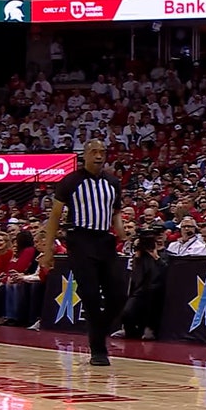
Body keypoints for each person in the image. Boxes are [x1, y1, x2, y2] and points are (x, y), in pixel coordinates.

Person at [41, 139, 127, 366]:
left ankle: (98, 331)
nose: (98, 156)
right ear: (85, 155)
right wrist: (48, 250)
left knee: (119, 295)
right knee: (90, 295)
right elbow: (55, 216)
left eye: (102, 152)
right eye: (94, 152)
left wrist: (122, 231)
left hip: (105, 240)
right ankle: (98, 350)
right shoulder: (70, 181)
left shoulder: (112, 182)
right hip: (80, 240)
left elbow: (116, 212)